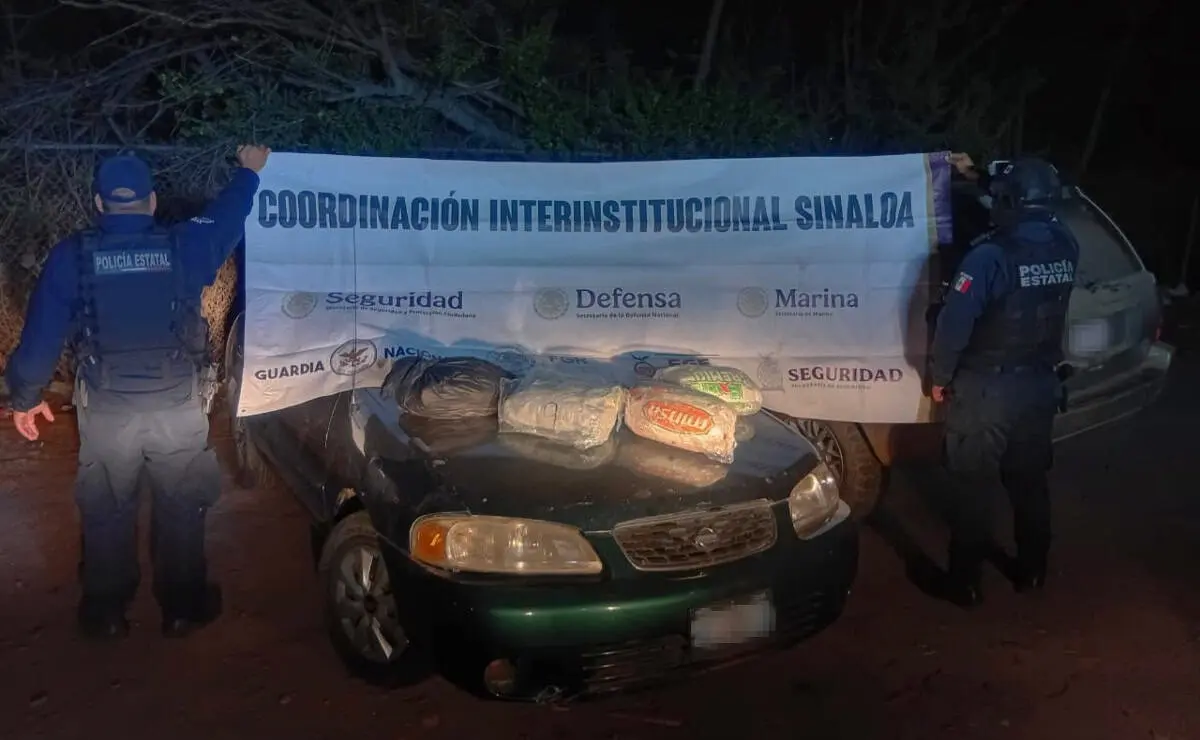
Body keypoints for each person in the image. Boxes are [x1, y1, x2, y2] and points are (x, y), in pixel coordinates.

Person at [5, 144, 270, 639]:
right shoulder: (184, 245)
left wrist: (25, 397)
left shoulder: (71, 257)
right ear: (151, 202)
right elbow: (228, 216)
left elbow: (40, 341)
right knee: (182, 502)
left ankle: (106, 613)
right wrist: (249, 172)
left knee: (106, 506)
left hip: (107, 409)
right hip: (175, 405)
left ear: (99, 204)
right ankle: (182, 608)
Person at [929, 154, 1079, 608]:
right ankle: (1032, 570)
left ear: (1012, 201)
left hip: (986, 390)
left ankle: (965, 583)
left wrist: (940, 376)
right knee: (1029, 482)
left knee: (973, 487)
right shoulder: (1066, 244)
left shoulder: (988, 256)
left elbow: (954, 324)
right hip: (1038, 385)